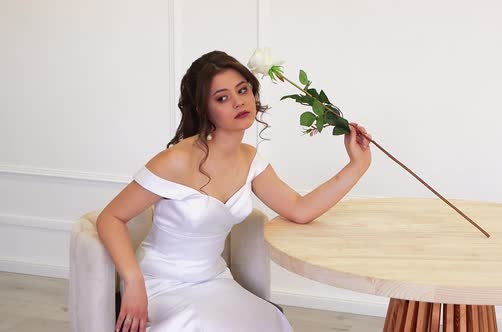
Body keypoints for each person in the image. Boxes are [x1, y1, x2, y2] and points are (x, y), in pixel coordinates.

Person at [96, 50, 372, 332]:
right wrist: (133, 281)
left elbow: (300, 210)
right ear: (204, 109)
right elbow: (110, 218)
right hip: (161, 282)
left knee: (270, 321)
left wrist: (357, 165)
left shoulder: (250, 160)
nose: (239, 101)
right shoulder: (176, 160)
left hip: (214, 279)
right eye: (222, 98)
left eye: (243, 90)